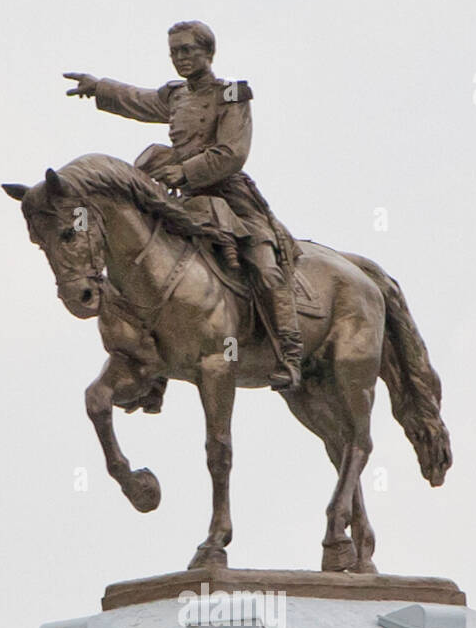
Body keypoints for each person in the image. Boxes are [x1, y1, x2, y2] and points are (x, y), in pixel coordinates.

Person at [64, 20, 303, 390]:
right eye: (174, 52)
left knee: (266, 268)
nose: (180, 58)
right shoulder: (176, 96)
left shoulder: (231, 94)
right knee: (146, 262)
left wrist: (185, 171)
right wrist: (100, 88)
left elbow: (232, 152)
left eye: (188, 50)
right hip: (188, 202)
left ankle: (289, 353)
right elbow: (137, 100)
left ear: (209, 52)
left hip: (231, 198)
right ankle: (151, 365)